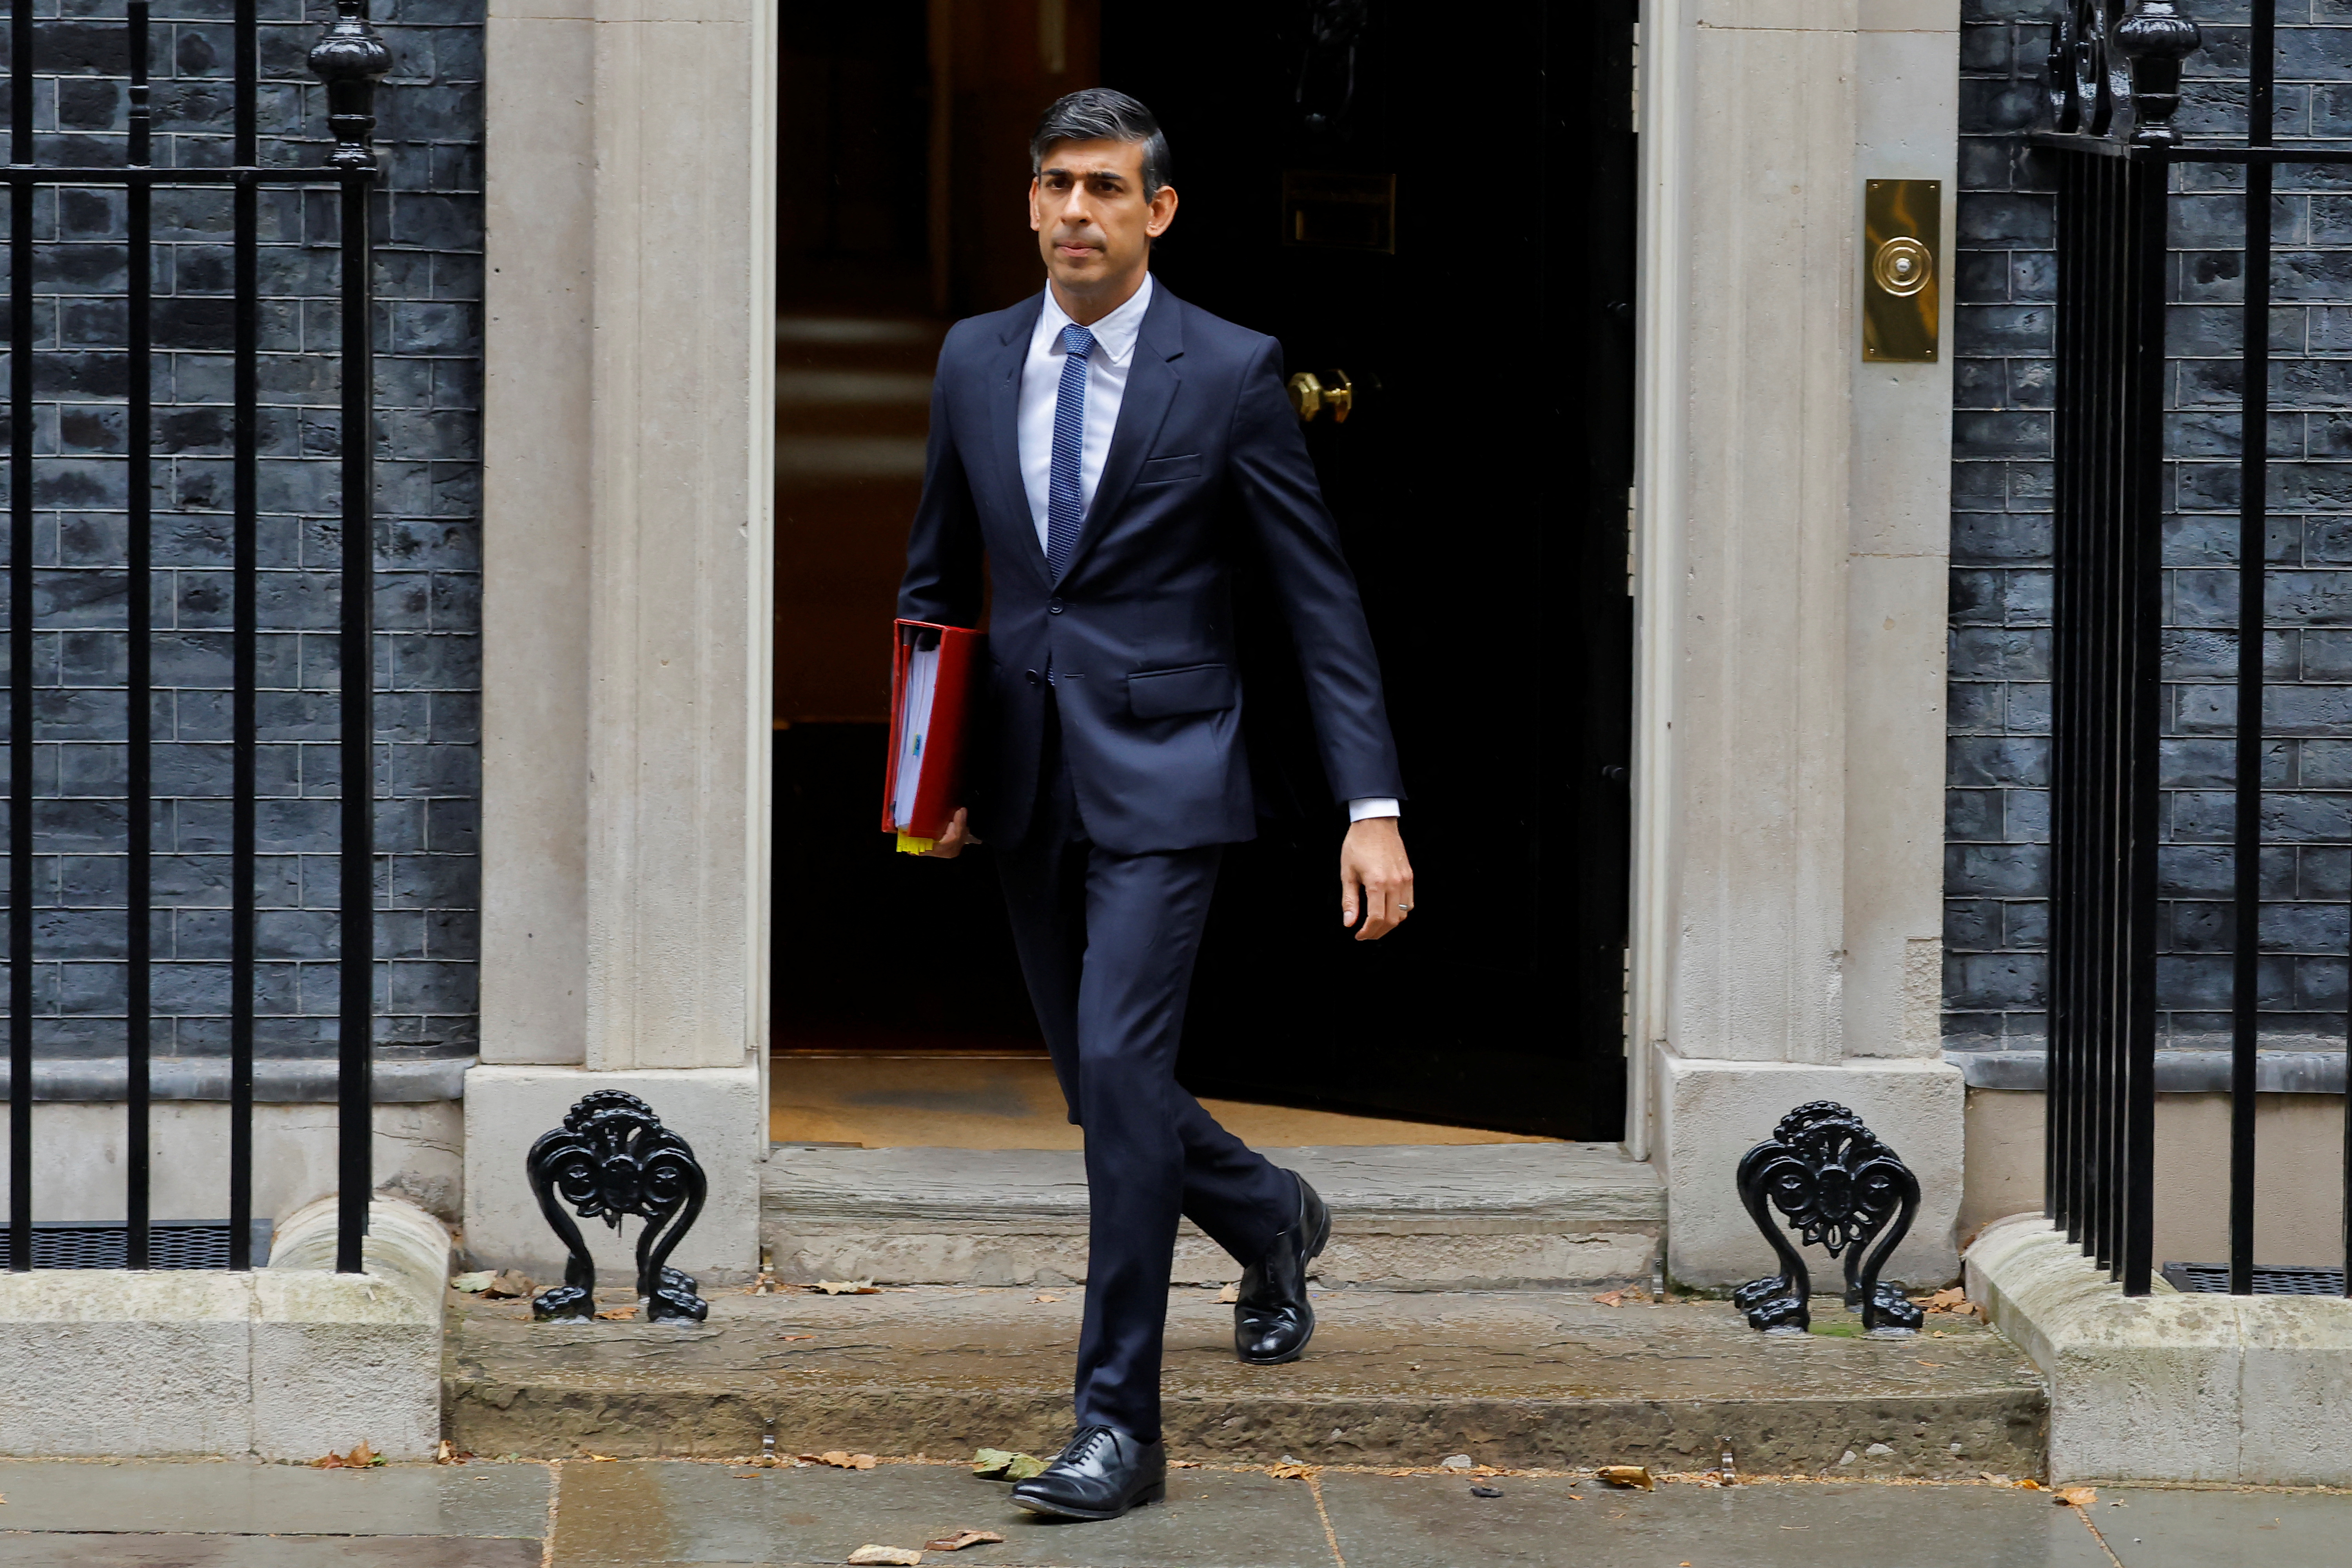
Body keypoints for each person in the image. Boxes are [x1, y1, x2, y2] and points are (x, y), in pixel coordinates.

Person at [897, 87, 1413, 1523]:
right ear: (1031, 202)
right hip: (1019, 778)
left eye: (1105, 189)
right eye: (1056, 184)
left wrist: (1372, 806)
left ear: (1158, 211)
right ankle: (1268, 1213)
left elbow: (1320, 605)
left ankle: (1118, 1422)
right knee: (1097, 1086)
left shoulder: (1231, 370)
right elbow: (939, 585)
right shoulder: (973, 359)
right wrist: (921, 779)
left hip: (1173, 773)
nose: (1075, 211)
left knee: (1121, 1078)